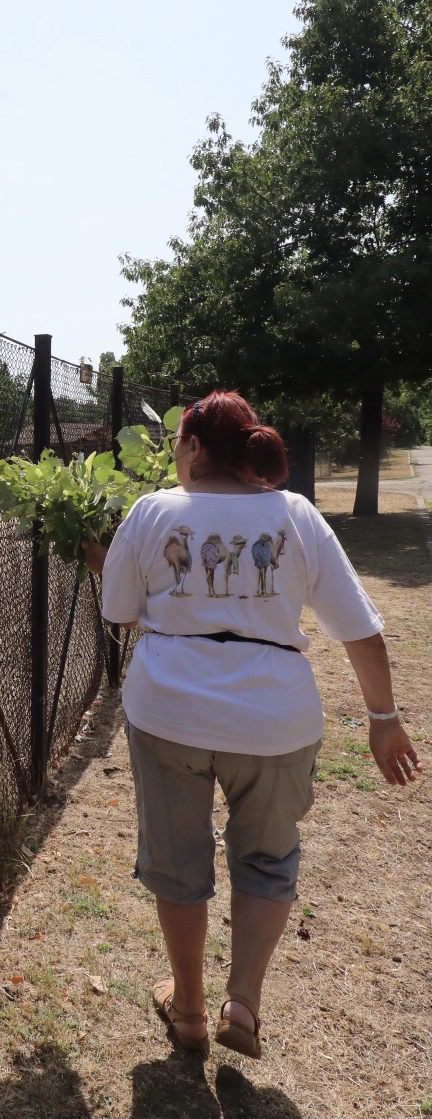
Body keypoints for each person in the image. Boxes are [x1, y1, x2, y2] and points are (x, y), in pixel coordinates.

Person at [81, 390, 419, 1058]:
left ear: (194, 446)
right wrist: (383, 719)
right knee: (266, 859)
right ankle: (242, 1001)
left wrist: (108, 562)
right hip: (274, 723)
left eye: (178, 445)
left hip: (168, 714)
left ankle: (188, 1010)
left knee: (177, 864)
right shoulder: (292, 514)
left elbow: (122, 612)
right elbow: (361, 632)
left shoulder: (151, 512)